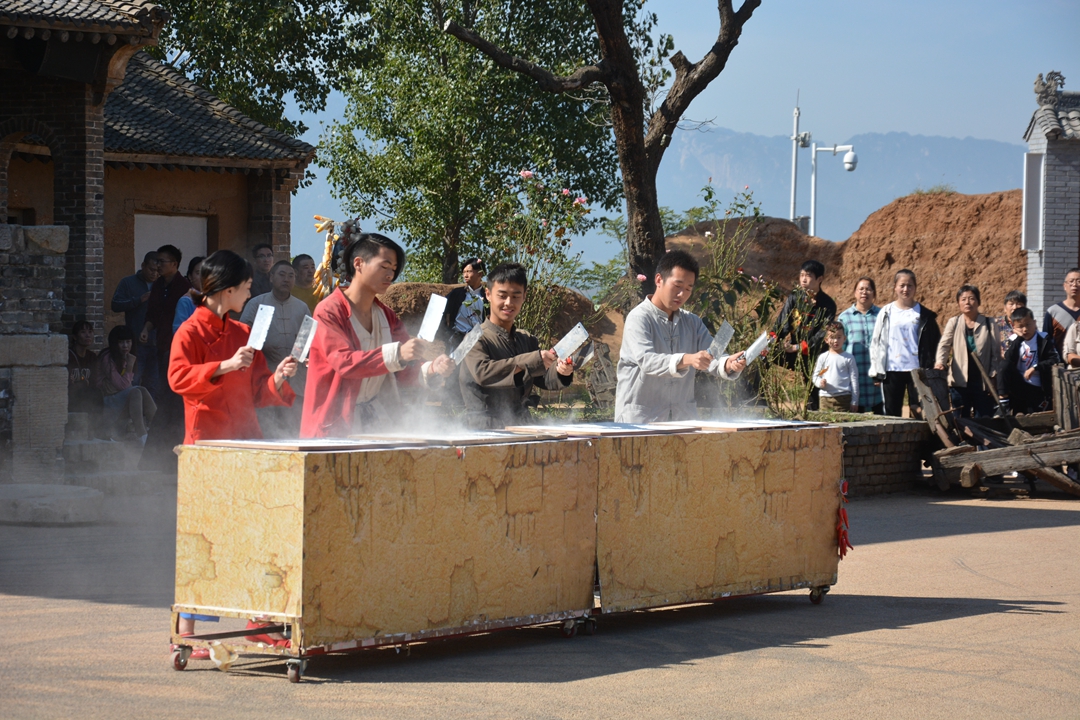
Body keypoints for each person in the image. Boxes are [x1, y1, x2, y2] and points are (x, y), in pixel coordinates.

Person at [167, 249, 299, 653]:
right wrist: (224, 366)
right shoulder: (189, 331)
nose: (249, 293)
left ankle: (260, 621)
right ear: (226, 290)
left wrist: (279, 377)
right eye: (246, 287)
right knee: (205, 538)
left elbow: (259, 390)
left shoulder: (244, 333)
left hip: (247, 442)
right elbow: (177, 378)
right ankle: (188, 632)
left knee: (259, 532)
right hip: (208, 446)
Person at [301, 232, 453, 438]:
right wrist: (398, 353)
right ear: (358, 263)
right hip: (332, 423)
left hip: (377, 420)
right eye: (384, 266)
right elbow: (344, 362)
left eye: (394, 269)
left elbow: (406, 368)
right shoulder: (329, 311)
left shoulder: (386, 315)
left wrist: (433, 368)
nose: (390, 275)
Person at [615, 250, 746, 424]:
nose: (682, 294)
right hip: (641, 421)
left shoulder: (693, 322)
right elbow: (647, 360)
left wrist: (728, 364)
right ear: (659, 280)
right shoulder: (639, 318)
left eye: (688, 289)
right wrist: (687, 359)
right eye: (677, 286)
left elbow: (712, 354)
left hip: (682, 419)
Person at [460, 262, 574, 428]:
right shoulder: (473, 338)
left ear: (524, 297)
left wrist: (561, 371)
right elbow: (483, 373)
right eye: (502, 295)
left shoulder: (526, 339)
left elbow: (543, 378)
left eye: (515, 296)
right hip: (484, 428)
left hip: (521, 425)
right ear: (488, 294)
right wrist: (533, 360)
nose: (509, 302)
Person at [240, 260, 312, 437]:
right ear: (271, 277)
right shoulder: (257, 304)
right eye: (282, 275)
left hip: (296, 381)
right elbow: (243, 339)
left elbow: (307, 343)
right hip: (265, 377)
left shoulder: (301, 307)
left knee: (294, 431)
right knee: (268, 431)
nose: (286, 279)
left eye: (291, 276)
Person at [869, 269, 941, 418]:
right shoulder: (886, 312)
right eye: (902, 285)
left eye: (910, 285)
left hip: (917, 370)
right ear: (895, 287)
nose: (905, 289)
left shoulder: (924, 315)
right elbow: (876, 341)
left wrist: (933, 365)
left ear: (915, 288)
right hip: (892, 369)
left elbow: (934, 342)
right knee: (892, 413)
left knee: (920, 412)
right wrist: (876, 370)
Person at [773, 260, 837, 410]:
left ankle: (812, 411)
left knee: (813, 387)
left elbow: (821, 336)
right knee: (763, 355)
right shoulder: (794, 297)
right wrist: (772, 342)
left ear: (819, 279)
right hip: (792, 352)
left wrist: (797, 347)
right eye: (801, 275)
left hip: (813, 355)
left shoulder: (828, 305)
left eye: (808, 275)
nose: (803, 279)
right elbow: (781, 324)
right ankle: (759, 399)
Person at [934, 285, 1002, 418]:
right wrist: (940, 362)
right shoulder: (954, 322)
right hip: (960, 380)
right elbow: (944, 345)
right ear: (958, 303)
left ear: (978, 302)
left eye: (971, 298)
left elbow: (996, 353)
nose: (967, 302)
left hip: (982, 381)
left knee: (984, 419)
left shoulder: (989, 323)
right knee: (960, 419)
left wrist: (993, 375)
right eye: (963, 299)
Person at [92, 325, 156, 443]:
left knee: (141, 390)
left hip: (119, 398)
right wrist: (130, 365)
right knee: (135, 392)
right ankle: (143, 436)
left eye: (128, 342)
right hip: (107, 402)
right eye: (121, 342)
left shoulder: (126, 356)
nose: (125, 346)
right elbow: (122, 385)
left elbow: (125, 387)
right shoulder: (107, 357)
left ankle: (159, 428)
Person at [110, 251, 160, 395]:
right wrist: (138, 300)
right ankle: (133, 409)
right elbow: (115, 304)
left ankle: (151, 410)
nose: (154, 274)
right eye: (151, 269)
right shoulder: (128, 282)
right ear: (143, 265)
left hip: (157, 343)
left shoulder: (162, 285)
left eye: (158, 271)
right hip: (136, 343)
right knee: (133, 382)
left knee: (154, 384)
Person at [140, 244, 191, 382]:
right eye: (157, 261)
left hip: (179, 346)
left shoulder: (184, 287)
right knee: (162, 382)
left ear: (174, 264)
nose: (158, 266)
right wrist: (146, 329)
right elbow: (153, 312)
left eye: (162, 262)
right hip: (161, 343)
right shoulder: (158, 285)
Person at [999, 307, 1060, 415]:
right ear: (1014, 326)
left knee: (1035, 416)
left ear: (1034, 323)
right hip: (1018, 385)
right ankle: (1003, 402)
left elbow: (1054, 359)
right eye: (1020, 326)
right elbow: (1008, 360)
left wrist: (1035, 367)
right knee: (1003, 364)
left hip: (1038, 386)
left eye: (1028, 325)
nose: (1025, 329)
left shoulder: (1043, 339)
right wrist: (1018, 339)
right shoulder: (1013, 340)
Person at [838, 276, 884, 413]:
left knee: (880, 417)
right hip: (855, 373)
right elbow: (840, 348)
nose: (864, 292)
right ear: (855, 293)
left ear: (874, 293)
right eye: (861, 289)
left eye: (868, 289)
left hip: (877, 375)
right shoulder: (845, 317)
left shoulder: (882, 315)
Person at [439, 257, 488, 346]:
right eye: (464, 272)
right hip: (457, 342)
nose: (465, 275)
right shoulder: (456, 294)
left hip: (479, 342)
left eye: (469, 271)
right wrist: (447, 335)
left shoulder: (487, 297)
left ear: (480, 273)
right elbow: (441, 312)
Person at [812, 322, 859, 412]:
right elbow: (815, 376)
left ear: (844, 338)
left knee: (844, 420)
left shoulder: (849, 358)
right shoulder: (823, 357)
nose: (835, 341)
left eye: (839, 337)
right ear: (826, 340)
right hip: (825, 398)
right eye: (832, 337)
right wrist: (820, 383)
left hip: (844, 398)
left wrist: (854, 401)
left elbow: (854, 380)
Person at [1042, 268, 1080, 356]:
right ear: (1064, 286)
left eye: (1079, 281)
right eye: (1071, 281)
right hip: (1059, 363)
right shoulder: (1053, 312)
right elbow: (1045, 341)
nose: (1074, 284)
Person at [67, 320, 100, 416]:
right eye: (83, 332)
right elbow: (69, 384)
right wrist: (84, 383)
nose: (88, 335)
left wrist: (80, 384)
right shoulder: (68, 356)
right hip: (72, 398)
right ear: (75, 337)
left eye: (90, 332)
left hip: (88, 397)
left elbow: (94, 382)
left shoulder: (92, 357)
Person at [172, 256, 205, 332]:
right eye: (198, 273)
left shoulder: (214, 298)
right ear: (190, 276)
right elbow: (179, 330)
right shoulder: (186, 301)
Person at [997, 290, 1026, 358]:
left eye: (1019, 304)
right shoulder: (996, 324)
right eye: (1011, 304)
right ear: (1005, 308)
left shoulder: (1028, 325)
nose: (1015, 307)